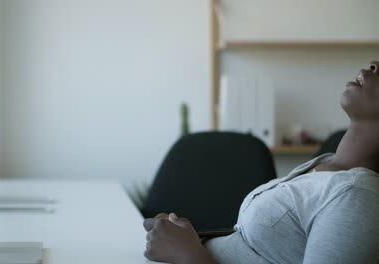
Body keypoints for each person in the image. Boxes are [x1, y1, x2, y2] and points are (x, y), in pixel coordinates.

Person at [143, 61, 379, 264]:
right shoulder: (327, 166)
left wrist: (189, 254)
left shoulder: (356, 196)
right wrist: (185, 236)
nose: (373, 64)